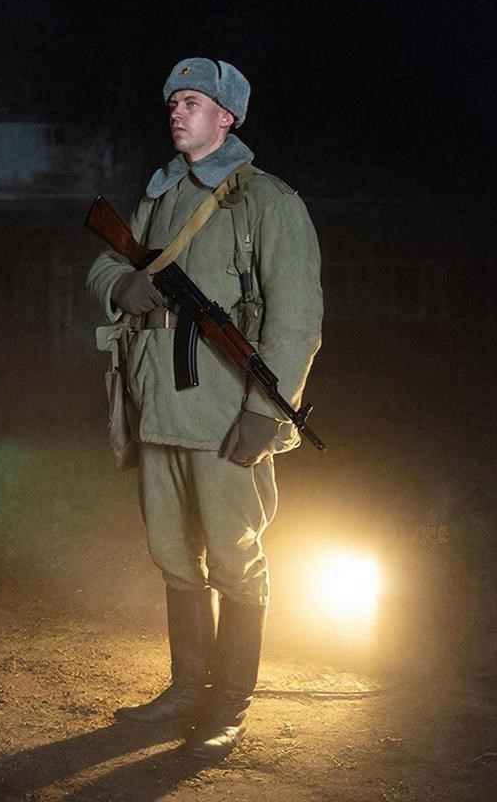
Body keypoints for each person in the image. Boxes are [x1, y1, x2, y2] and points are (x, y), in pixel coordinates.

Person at [86, 57, 323, 762]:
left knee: (233, 558)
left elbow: (295, 317)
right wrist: (123, 285)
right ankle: (187, 690)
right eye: (174, 102)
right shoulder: (158, 196)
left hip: (224, 412)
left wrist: (267, 412)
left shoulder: (266, 201)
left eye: (193, 102)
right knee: (172, 554)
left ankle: (228, 704)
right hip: (156, 403)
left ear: (227, 117)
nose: (177, 112)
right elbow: (104, 261)